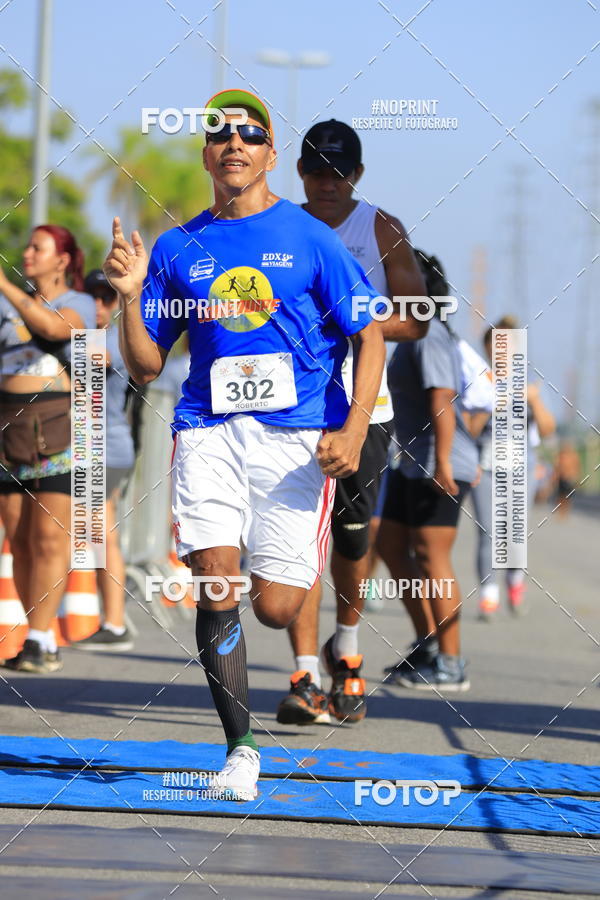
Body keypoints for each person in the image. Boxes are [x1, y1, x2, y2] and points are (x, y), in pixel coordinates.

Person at [103, 90, 386, 800]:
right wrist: (134, 294)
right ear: (206, 154)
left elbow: (370, 332)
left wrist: (352, 427)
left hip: (295, 440)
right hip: (207, 431)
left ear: (268, 155)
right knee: (217, 582)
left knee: (276, 606)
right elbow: (143, 365)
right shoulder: (177, 248)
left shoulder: (311, 237)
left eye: (250, 134)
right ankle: (241, 749)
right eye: (221, 134)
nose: (234, 143)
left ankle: (305, 633)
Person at [276, 119, 428, 726]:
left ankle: (348, 645)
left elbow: (415, 317)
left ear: (357, 176)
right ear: (301, 175)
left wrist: (349, 319)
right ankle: (305, 674)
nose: (327, 183)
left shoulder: (380, 227)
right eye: (316, 171)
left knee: (352, 538)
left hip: (367, 411)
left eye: (338, 173)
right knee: (296, 542)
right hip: (293, 408)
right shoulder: (281, 225)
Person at [377, 252, 478, 691]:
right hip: (412, 461)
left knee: (432, 555)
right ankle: (429, 644)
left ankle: (452, 664)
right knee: (390, 543)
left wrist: (441, 465)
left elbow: (443, 401)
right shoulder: (411, 335)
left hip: (443, 462)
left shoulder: (431, 334)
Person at [0, 225, 95, 672]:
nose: (27, 252)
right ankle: (33, 633)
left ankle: (43, 638)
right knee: (18, 539)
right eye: (27, 245)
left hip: (61, 422)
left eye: (38, 247)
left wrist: (4, 284)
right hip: (9, 423)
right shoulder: (7, 303)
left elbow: (55, 329)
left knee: (48, 536)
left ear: (62, 260)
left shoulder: (76, 302)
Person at [472, 316, 555, 618]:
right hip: (486, 465)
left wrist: (534, 400)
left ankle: (515, 579)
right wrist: (492, 402)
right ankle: (488, 593)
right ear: (488, 348)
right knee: (487, 531)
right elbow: (469, 428)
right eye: (497, 345)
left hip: (522, 467)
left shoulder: (528, 384)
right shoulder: (480, 380)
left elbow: (547, 429)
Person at [70, 270, 135, 651]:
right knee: (95, 536)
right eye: (90, 296)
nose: (97, 304)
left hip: (106, 448)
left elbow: (93, 358)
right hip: (89, 447)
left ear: (115, 304)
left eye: (105, 297)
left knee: (103, 534)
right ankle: (109, 621)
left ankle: (114, 623)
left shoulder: (113, 339)